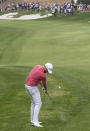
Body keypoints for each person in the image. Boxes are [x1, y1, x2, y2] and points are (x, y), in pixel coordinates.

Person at [25, 62, 53, 127]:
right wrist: (45, 90)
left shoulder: (37, 66)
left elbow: (38, 79)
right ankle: (35, 122)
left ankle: (32, 121)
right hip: (32, 87)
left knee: (33, 103)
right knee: (38, 103)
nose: (47, 72)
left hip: (27, 86)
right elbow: (44, 84)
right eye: (47, 70)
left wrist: (42, 88)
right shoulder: (43, 75)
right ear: (45, 68)